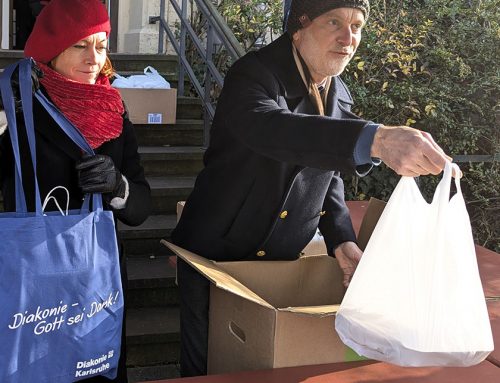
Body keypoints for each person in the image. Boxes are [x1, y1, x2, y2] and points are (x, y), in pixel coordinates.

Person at [171, 0, 453, 377]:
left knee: (262, 368)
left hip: (279, 262)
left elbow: (328, 174)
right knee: (209, 367)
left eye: (356, 25)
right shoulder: (254, 75)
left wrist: (341, 239)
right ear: (298, 27)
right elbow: (272, 129)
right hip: (215, 256)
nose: (348, 37)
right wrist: (376, 139)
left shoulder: (340, 93)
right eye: (334, 21)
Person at [0, 0, 151, 382]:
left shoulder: (114, 111)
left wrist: (118, 186)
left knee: (95, 368)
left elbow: (141, 208)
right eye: (80, 46)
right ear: (52, 52)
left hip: (96, 277)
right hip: (33, 279)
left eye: (100, 46)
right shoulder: (18, 110)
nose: (93, 58)